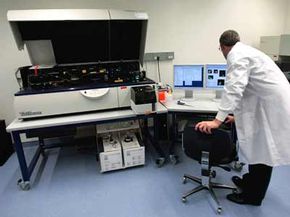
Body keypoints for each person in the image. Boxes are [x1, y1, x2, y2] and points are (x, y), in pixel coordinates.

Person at [195, 30, 290, 206]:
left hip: (271, 110)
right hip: (266, 106)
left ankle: (253, 197)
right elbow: (250, 91)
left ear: (222, 47)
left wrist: (217, 121)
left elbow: (234, 88)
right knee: (256, 150)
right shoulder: (247, 52)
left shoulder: (236, 56)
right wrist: (235, 118)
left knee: (263, 153)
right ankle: (249, 181)